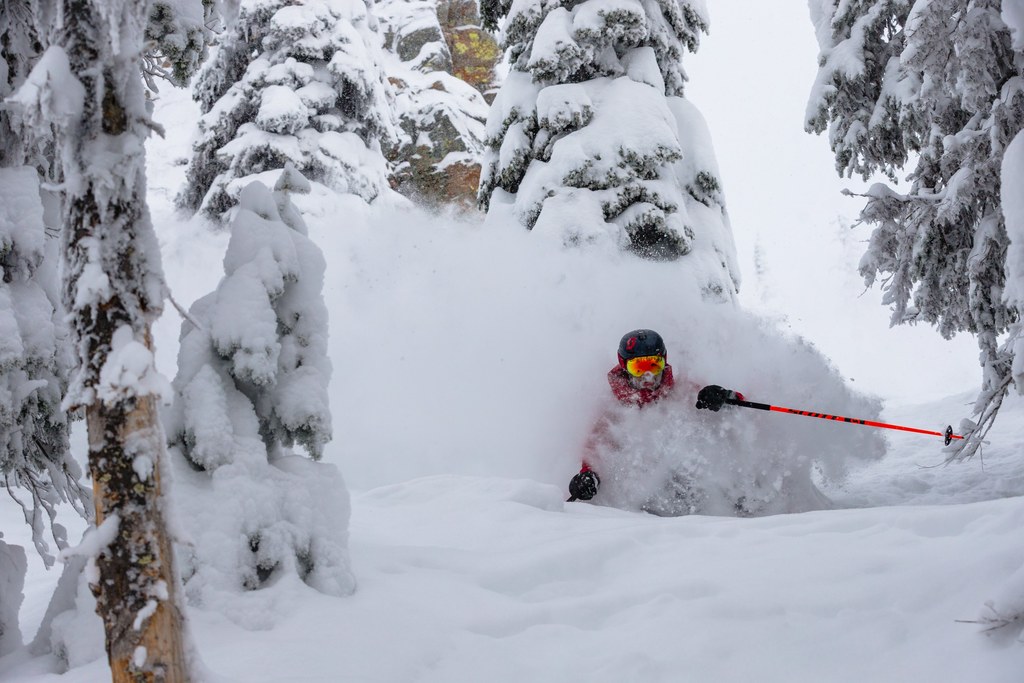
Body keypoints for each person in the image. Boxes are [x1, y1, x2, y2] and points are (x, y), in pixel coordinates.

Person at [567, 328, 744, 503]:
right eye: (638, 368)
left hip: (697, 492)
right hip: (646, 503)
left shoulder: (683, 391)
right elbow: (598, 446)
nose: (648, 376)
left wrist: (723, 397)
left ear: (664, 362)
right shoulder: (615, 410)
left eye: (654, 365)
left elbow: (739, 406)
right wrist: (588, 475)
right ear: (624, 367)